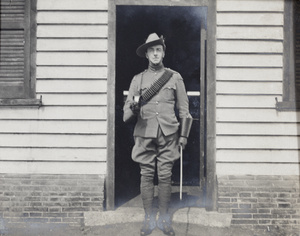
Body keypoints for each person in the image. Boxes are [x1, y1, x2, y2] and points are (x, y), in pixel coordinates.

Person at [123, 33, 193, 236]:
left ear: (163, 52)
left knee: (164, 176)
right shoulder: (138, 80)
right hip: (144, 133)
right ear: (146, 54)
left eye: (158, 50)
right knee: (146, 175)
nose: (155, 53)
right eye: (151, 50)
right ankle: (147, 219)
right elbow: (126, 113)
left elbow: (184, 109)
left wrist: (184, 136)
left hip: (168, 134)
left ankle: (163, 218)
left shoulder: (174, 77)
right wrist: (134, 108)